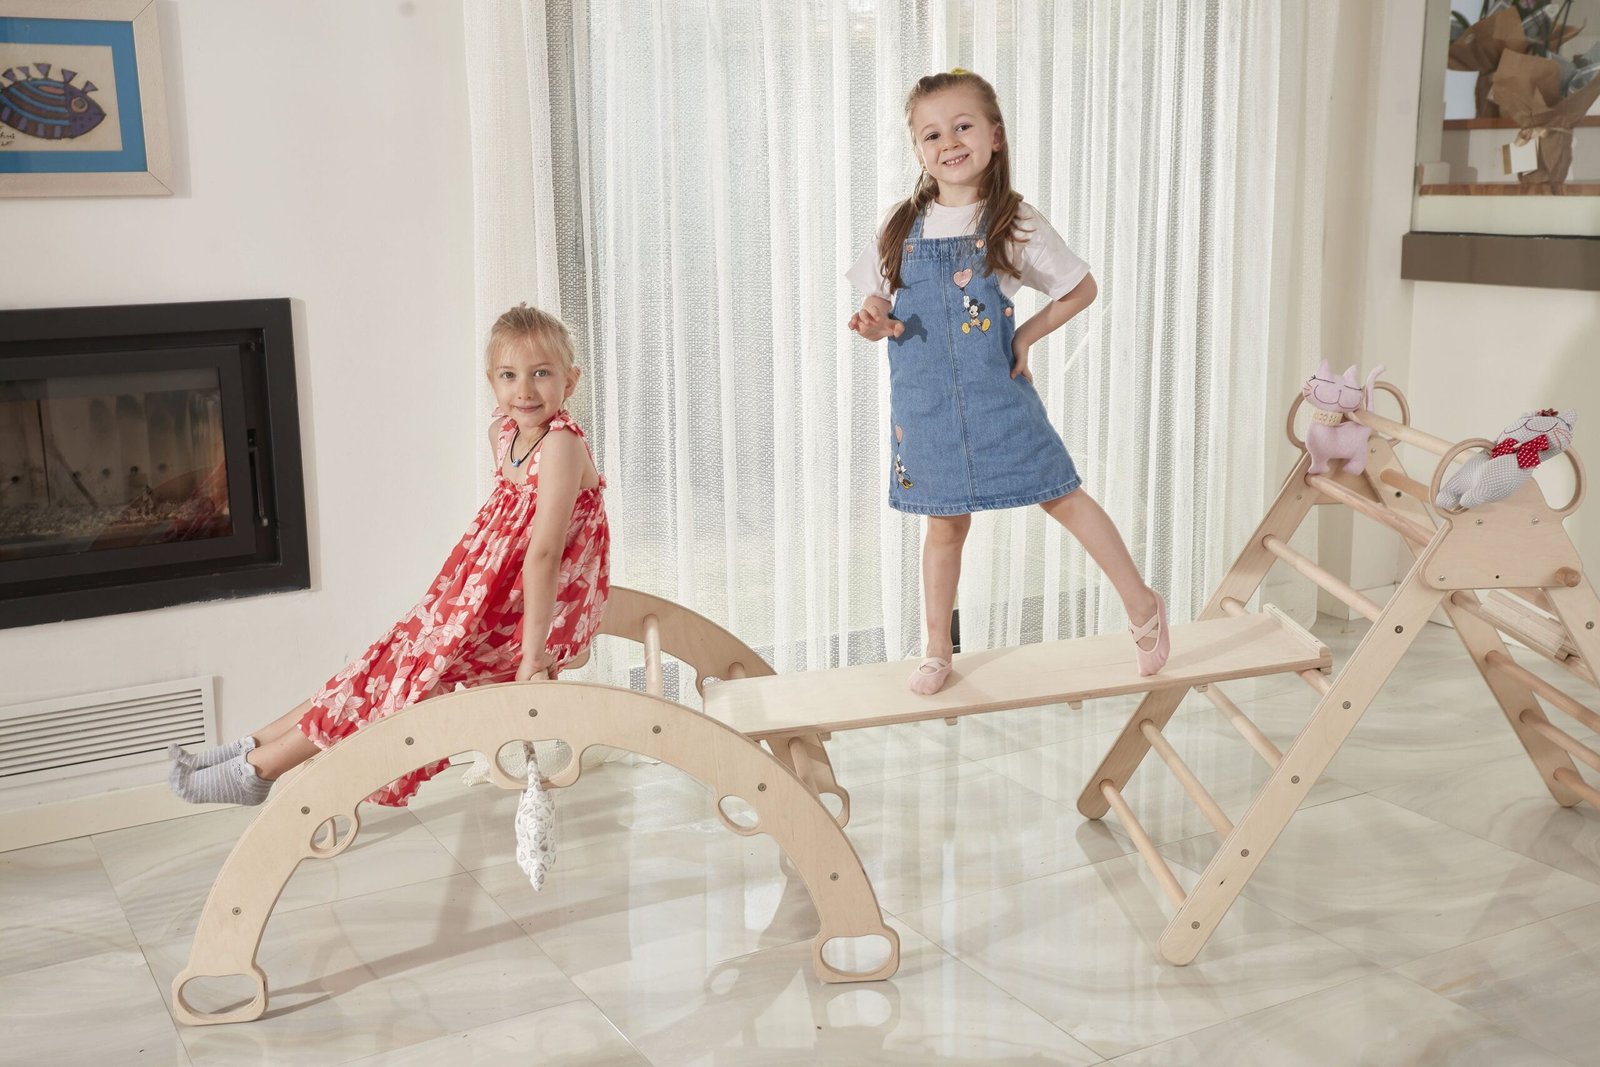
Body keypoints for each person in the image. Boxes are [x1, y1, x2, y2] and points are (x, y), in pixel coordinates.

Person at [169, 304, 610, 805]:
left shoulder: (561, 446)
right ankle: (252, 748)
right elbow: (509, 527)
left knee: (400, 673)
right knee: (383, 658)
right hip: (486, 596)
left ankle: (261, 768)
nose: (524, 390)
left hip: (532, 614)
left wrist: (532, 656)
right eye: (509, 375)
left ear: (570, 381)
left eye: (541, 373)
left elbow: (545, 552)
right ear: (492, 381)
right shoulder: (504, 434)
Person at [847, 69, 1167, 695]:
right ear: (918, 149)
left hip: (996, 396)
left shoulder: (1013, 221)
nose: (949, 142)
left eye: (963, 126)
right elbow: (876, 304)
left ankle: (1141, 602)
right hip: (926, 406)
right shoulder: (899, 226)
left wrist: (1025, 336)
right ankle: (936, 647)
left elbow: (1079, 288)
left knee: (1061, 493)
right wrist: (872, 320)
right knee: (944, 523)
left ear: (994, 135)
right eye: (931, 134)